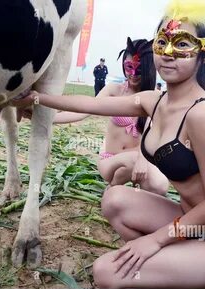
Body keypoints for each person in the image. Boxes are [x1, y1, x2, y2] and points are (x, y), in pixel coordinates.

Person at [14, 0, 205, 289]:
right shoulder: (154, 101)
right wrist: (37, 98)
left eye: (183, 45)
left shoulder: (202, 114)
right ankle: (178, 267)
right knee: (114, 200)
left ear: (202, 56)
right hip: (189, 223)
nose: (169, 53)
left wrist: (155, 240)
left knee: (105, 273)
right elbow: (93, 103)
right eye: (163, 41)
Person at [53, 38, 169, 195]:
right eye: (129, 67)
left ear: (148, 69)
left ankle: (135, 200)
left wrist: (143, 159)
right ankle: (113, 187)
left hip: (140, 160)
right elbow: (84, 110)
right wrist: (50, 119)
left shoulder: (153, 97)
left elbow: (153, 135)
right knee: (134, 160)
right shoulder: (115, 90)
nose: (133, 74)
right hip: (112, 161)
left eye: (139, 69)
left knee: (159, 186)